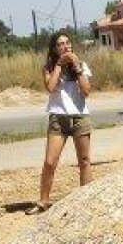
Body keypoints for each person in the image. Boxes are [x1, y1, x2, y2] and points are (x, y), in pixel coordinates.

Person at [28, 31, 93, 214]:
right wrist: (59, 65)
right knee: (50, 162)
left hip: (80, 116)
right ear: (54, 49)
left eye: (67, 43)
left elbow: (86, 91)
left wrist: (77, 67)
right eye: (60, 44)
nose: (65, 47)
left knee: (85, 160)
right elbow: (50, 87)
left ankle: (86, 198)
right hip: (58, 117)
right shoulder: (48, 66)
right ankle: (43, 201)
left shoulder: (81, 65)